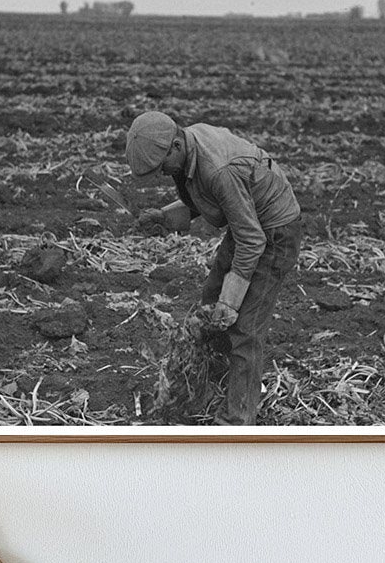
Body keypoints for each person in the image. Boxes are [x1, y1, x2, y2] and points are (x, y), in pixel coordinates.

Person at [125, 111, 302, 426]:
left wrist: (231, 301)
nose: (163, 174)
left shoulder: (218, 169)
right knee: (210, 304)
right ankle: (219, 386)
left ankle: (238, 420)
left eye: (162, 166)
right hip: (248, 224)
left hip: (274, 234)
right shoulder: (189, 145)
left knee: (243, 328)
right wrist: (164, 217)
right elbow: (208, 199)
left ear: (175, 145)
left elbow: (252, 240)